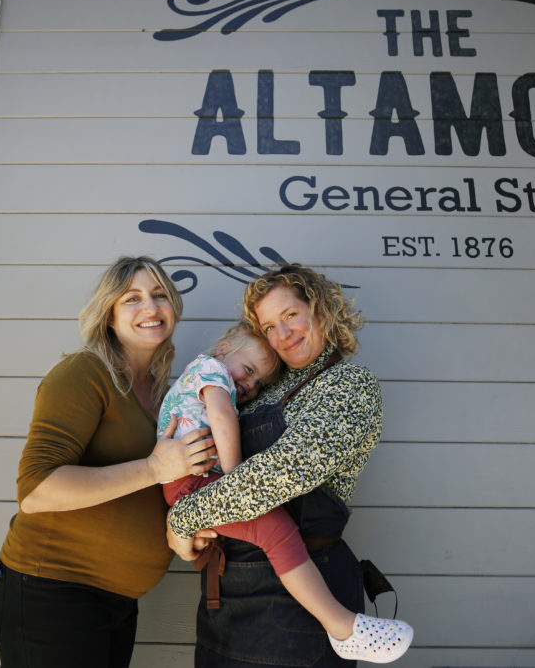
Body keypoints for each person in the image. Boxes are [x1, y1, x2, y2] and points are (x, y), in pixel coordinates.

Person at [166, 263, 411, 666]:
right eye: (267, 328)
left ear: (321, 308)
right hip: (226, 596)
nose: (282, 336)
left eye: (290, 315)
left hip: (295, 606)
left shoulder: (348, 385)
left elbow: (280, 475)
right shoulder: (260, 388)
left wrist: (181, 518)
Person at [0, 256, 218, 668]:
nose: (150, 307)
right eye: (132, 298)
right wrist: (154, 468)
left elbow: (151, 491)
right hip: (53, 593)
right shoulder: (85, 372)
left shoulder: (164, 395)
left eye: (160, 295)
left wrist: (182, 527)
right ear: (109, 315)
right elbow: (36, 491)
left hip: (115, 602)